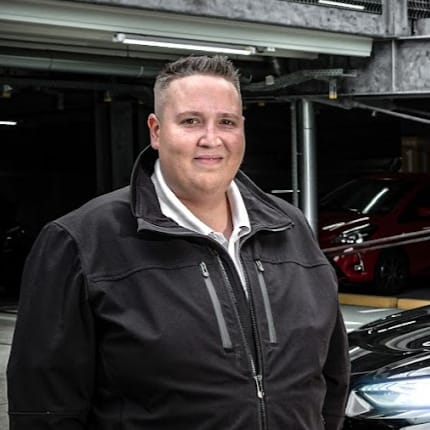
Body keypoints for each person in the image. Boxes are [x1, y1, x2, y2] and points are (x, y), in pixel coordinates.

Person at [7, 55, 350, 430]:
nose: (211, 139)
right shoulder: (80, 242)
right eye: (191, 121)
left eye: (226, 122)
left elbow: (330, 377)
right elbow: (45, 411)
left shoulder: (289, 227)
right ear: (156, 131)